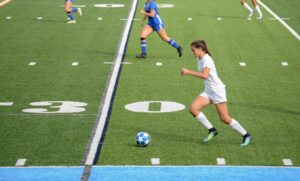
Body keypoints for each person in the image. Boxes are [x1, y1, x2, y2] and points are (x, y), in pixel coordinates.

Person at [181, 40, 253, 146]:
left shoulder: (206, 59)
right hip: (208, 91)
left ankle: (246, 135)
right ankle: (212, 130)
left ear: (200, 49)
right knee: (193, 109)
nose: (192, 53)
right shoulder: (199, 58)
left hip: (217, 91)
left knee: (224, 118)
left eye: (193, 50)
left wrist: (188, 72)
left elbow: (205, 75)